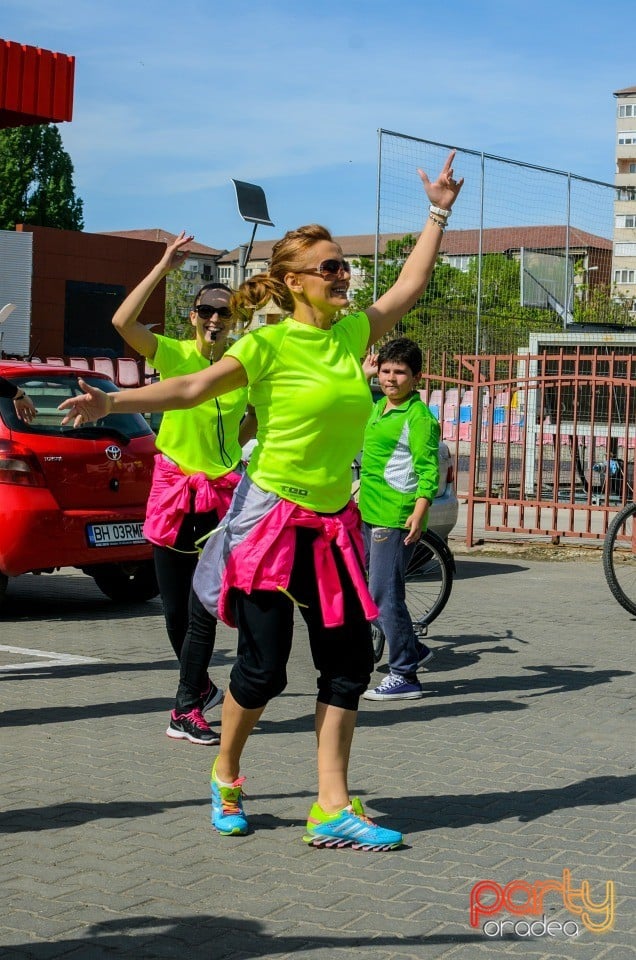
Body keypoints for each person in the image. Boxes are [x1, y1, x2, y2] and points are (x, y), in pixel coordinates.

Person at [59, 151, 463, 851]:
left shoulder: (350, 335)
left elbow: (411, 283)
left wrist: (437, 211)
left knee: (347, 665)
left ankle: (330, 804)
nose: (344, 276)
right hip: (271, 523)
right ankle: (226, 772)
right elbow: (190, 389)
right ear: (296, 282)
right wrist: (112, 401)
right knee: (264, 668)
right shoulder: (266, 345)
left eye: (345, 266)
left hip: (334, 524)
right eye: (331, 267)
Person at [110, 235, 256, 746]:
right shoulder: (172, 354)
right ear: (194, 316)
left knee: (203, 608)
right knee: (175, 610)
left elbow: (252, 419)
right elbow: (123, 324)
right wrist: (162, 266)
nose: (216, 318)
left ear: (235, 321)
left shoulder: (242, 368)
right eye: (207, 310)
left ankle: (185, 707)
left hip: (219, 499)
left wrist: (227, 459)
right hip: (173, 495)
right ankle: (198, 685)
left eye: (226, 312)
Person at [359, 338, 440, 701]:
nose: (391, 379)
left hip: (394, 517)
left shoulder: (418, 418)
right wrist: (362, 378)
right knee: (360, 589)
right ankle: (412, 648)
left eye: (400, 373)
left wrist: (420, 510)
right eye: (386, 370)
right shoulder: (378, 407)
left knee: (382, 595)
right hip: (366, 510)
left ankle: (405, 673)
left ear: (416, 376)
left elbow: (429, 470)